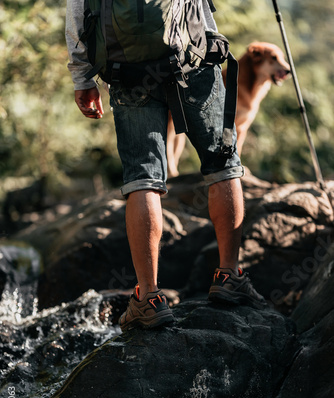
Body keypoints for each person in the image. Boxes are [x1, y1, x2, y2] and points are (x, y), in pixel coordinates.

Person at [65, 0, 267, 332]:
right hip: (192, 58)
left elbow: (77, 13)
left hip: (128, 70)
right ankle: (229, 275)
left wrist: (82, 78)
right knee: (222, 164)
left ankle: (149, 298)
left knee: (142, 178)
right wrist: (210, 39)